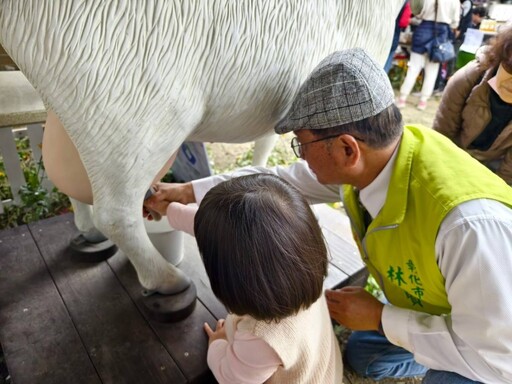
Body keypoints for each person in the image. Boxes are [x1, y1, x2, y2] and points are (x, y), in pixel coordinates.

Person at [145, 48, 512, 383]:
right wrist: (187, 192)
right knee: (365, 358)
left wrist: (382, 319)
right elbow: (273, 183)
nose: (300, 156)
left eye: (302, 144)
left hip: (495, 348)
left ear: (347, 148)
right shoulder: (378, 159)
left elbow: (498, 358)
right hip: (434, 306)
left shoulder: (469, 228)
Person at [148, 173, 343, 383]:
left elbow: (230, 377)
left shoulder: (261, 339)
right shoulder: (301, 266)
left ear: (231, 280)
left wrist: (218, 344)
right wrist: (169, 210)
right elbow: (216, 230)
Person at [433, 25, 512, 185]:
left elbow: (508, 172)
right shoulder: (470, 78)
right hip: (453, 156)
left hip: (490, 170)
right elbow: (441, 136)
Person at [396, 0, 459, 110]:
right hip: (441, 35)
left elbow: (418, 13)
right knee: (432, 71)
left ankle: (402, 98)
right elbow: (455, 23)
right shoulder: (455, 1)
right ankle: (423, 101)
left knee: (413, 68)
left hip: (423, 30)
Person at [384, 1, 412, 74]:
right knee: (384, 67)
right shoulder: (406, 2)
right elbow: (404, 22)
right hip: (393, 36)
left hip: (380, 31)